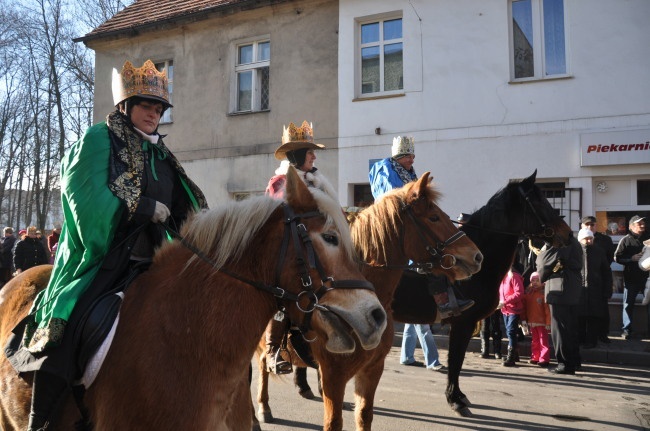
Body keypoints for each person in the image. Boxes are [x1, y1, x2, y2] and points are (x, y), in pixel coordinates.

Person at [5, 59, 208, 431]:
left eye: (159, 108)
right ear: (126, 106)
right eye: (147, 105)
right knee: (74, 321)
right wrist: (145, 207)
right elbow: (83, 198)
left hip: (153, 262)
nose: (154, 113)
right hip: (103, 259)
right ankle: (44, 416)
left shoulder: (161, 156)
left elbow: (189, 210)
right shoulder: (98, 139)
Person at [368, 136, 474, 319]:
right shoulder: (385, 169)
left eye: (412, 156)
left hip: (410, 218)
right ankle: (442, 301)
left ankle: (450, 297)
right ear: (399, 156)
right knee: (430, 251)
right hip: (396, 224)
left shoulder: (409, 172)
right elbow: (392, 197)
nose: (412, 159)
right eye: (408, 156)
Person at [264, 120, 339, 375]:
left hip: (313, 250)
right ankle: (273, 350)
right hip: (286, 250)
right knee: (283, 295)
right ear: (297, 155)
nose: (314, 156)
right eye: (309, 152)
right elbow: (283, 212)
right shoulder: (280, 182)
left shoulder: (317, 182)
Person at [536, 236, 583, 375]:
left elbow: (543, 264)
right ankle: (574, 361)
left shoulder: (560, 241)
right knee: (571, 327)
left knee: (560, 329)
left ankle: (565, 364)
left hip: (560, 289)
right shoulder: (573, 241)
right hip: (572, 288)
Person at [576, 228, 613, 349]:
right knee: (580, 317)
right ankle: (580, 339)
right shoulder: (575, 251)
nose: (588, 241)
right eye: (586, 239)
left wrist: (607, 291)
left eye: (590, 238)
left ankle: (591, 341)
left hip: (596, 291)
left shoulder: (599, 252)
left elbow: (607, 272)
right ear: (580, 240)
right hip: (579, 291)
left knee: (593, 318)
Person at [614, 215, 649, 340]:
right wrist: (631, 259)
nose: (642, 225)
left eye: (643, 223)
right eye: (639, 224)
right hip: (631, 278)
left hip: (648, 279)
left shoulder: (648, 238)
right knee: (628, 304)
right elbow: (617, 258)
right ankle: (626, 330)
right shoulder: (626, 240)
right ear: (631, 226)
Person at [521, 272, 551, 367]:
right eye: (533, 280)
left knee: (543, 341)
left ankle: (544, 358)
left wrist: (548, 322)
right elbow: (525, 306)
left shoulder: (543, 293)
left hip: (541, 322)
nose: (534, 282)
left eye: (537, 280)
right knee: (535, 340)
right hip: (532, 321)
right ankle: (535, 356)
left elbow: (547, 310)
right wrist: (524, 320)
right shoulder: (529, 293)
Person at [498, 263, 524, 367]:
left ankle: (511, 357)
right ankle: (515, 355)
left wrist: (505, 301)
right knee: (510, 332)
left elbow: (519, 293)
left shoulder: (514, 276)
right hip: (505, 309)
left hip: (513, 308)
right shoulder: (503, 278)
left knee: (511, 331)